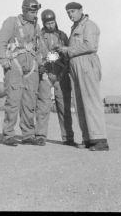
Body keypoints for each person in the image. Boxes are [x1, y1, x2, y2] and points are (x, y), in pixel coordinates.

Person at [56, 2, 109, 151]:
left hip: (87, 65)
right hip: (76, 66)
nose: (70, 15)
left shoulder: (89, 25)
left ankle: (100, 140)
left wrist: (68, 49)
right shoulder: (75, 28)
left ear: (81, 11)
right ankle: (89, 139)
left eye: (73, 11)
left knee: (91, 101)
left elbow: (90, 46)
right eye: (68, 13)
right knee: (80, 103)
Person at [0, 0, 41, 146]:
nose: (35, 15)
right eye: (33, 12)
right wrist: (3, 59)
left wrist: (40, 62)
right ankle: (8, 134)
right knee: (13, 101)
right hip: (14, 65)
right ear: (25, 10)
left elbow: (38, 46)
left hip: (31, 67)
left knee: (29, 102)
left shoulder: (36, 26)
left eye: (36, 12)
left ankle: (28, 135)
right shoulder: (12, 22)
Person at [34, 9, 75, 146]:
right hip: (46, 75)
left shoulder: (63, 35)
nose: (51, 25)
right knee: (43, 106)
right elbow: (39, 54)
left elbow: (69, 53)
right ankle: (40, 135)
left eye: (52, 22)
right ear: (44, 23)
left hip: (61, 74)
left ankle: (68, 137)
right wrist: (42, 65)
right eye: (48, 23)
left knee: (64, 107)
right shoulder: (39, 36)